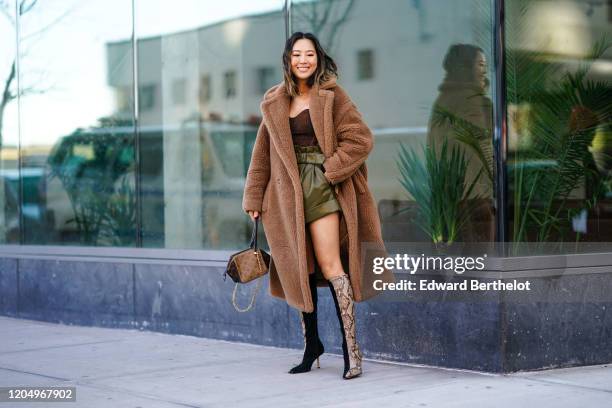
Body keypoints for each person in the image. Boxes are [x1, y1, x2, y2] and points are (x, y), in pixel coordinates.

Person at [242, 32, 393, 380]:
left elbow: (360, 139)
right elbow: (262, 155)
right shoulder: (274, 100)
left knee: (331, 265)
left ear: (318, 58)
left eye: (309, 54)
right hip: (285, 195)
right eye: (297, 54)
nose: (303, 60)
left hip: (324, 189)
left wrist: (330, 170)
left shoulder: (333, 96)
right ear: (288, 60)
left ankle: (352, 349)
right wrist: (254, 197)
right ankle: (312, 346)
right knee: (301, 267)